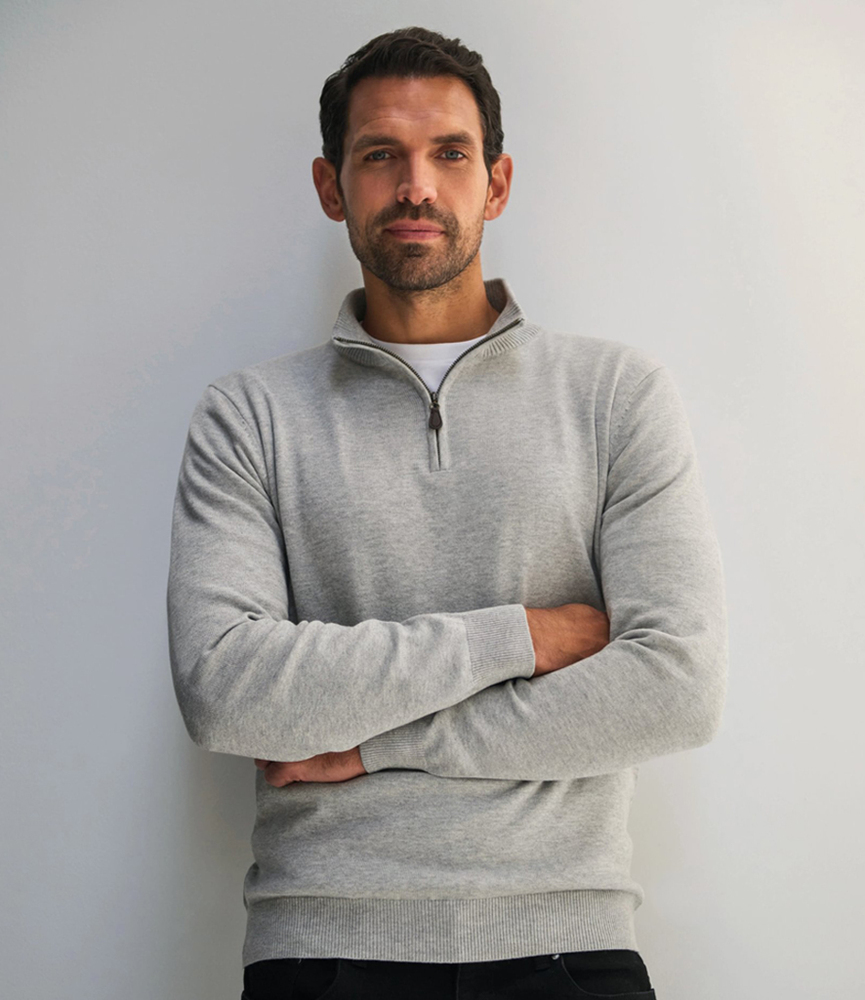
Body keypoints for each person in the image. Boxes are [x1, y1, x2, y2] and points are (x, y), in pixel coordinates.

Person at [167, 26, 728, 1000]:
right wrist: (520, 636)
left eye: (450, 154)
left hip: (568, 942)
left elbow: (675, 685)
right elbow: (227, 689)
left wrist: (374, 742)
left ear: (496, 183)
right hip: (322, 946)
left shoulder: (614, 396)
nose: (415, 186)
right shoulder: (249, 416)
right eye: (380, 155)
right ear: (332, 187)